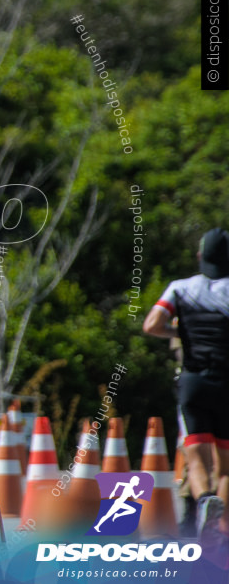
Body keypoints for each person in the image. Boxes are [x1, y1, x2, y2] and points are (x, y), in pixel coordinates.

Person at [143, 227, 229, 543]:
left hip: (193, 383)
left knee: (195, 457)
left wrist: (182, 334)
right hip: (226, 384)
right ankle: (221, 533)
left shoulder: (180, 288)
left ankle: (204, 500)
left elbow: (152, 324)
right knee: (225, 466)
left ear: (199, 256)